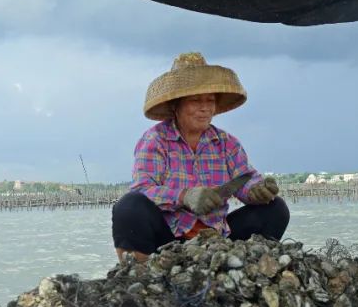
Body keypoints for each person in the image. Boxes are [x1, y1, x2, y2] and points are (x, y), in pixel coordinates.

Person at [111, 52, 289, 262]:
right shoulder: (155, 140)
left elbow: (246, 179)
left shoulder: (226, 142)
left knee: (276, 208)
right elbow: (143, 188)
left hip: (219, 240)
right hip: (168, 240)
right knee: (128, 206)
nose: (205, 108)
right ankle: (138, 274)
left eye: (210, 100)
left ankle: (247, 267)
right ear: (175, 105)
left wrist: (257, 191)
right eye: (196, 100)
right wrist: (185, 196)